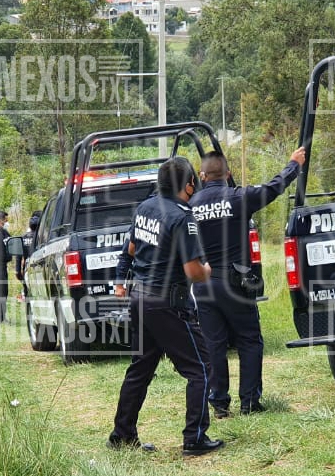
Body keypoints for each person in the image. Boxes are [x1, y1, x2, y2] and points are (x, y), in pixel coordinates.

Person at [108, 156, 223, 456]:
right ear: (189, 185)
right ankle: (195, 439)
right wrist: (207, 270)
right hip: (167, 303)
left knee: (140, 369)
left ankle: (122, 435)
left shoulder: (145, 208)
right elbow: (193, 272)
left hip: (140, 300)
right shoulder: (183, 217)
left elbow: (130, 249)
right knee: (201, 368)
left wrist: (120, 280)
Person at [191, 147, 305, 417]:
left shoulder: (191, 205)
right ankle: (250, 402)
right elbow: (273, 188)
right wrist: (293, 165)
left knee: (213, 345)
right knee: (249, 340)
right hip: (235, 285)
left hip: (204, 285)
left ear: (202, 176)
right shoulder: (238, 197)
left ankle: (219, 403)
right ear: (227, 173)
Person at [15, 210, 41, 297]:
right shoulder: (42, 237)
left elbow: (18, 256)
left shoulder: (23, 237)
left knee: (27, 291)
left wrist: (18, 271)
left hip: (27, 268)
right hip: (39, 267)